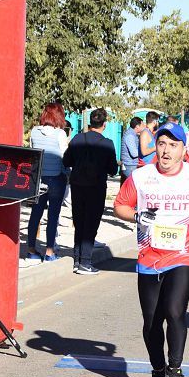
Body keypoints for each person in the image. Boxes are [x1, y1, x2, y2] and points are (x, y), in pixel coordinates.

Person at [113, 122, 189, 377]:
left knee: (175, 311)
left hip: (185, 253)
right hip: (149, 256)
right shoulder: (141, 177)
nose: (165, 151)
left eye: (173, 145)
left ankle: (175, 370)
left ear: (183, 150)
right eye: (161, 144)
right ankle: (157, 371)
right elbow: (120, 205)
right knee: (151, 321)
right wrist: (136, 216)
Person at [63, 108, 118, 275]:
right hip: (96, 186)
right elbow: (113, 169)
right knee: (91, 223)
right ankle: (85, 263)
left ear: (90, 123)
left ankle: (77, 259)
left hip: (78, 185)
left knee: (79, 222)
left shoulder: (77, 138)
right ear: (104, 124)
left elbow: (67, 160)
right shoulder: (107, 143)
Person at [26, 103, 69, 262]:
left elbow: (33, 153)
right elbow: (65, 158)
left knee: (35, 214)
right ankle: (50, 252)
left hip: (38, 179)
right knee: (53, 215)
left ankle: (31, 250)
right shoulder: (60, 134)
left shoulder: (34, 131)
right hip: (57, 178)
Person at [120, 116, 144, 183]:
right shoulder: (130, 136)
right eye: (142, 125)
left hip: (130, 166)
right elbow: (134, 153)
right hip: (129, 166)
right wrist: (145, 150)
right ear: (137, 126)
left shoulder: (133, 134)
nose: (144, 127)